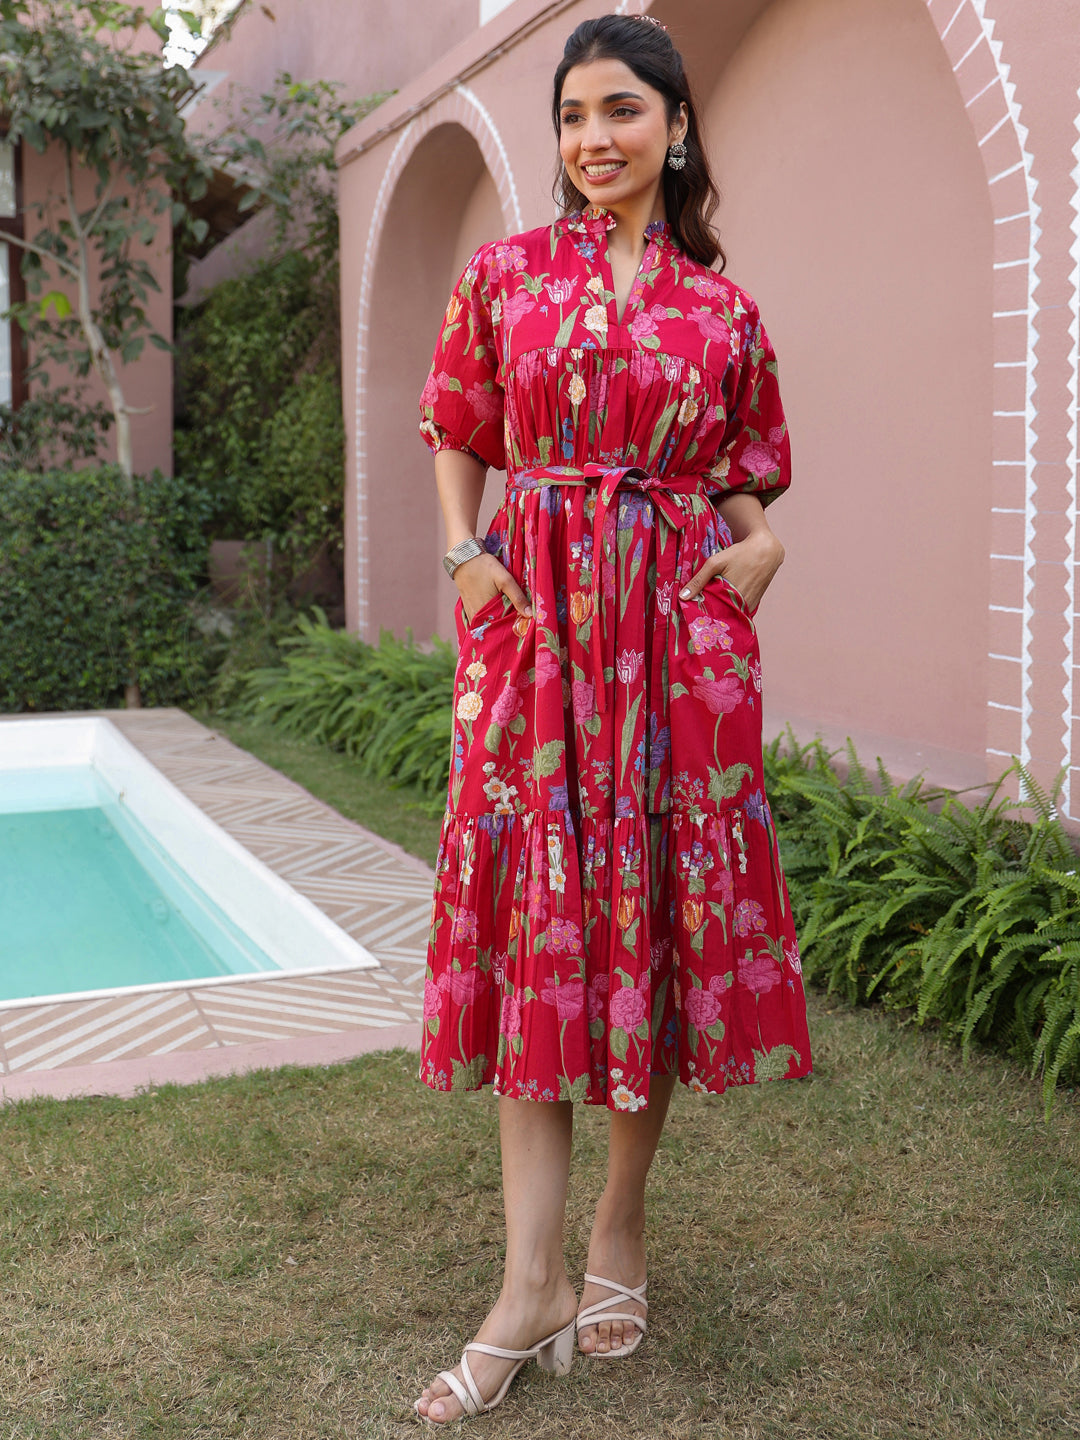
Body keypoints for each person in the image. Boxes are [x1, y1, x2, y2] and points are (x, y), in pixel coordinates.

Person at [413, 11, 813, 1425]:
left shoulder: (722, 309)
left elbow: (745, 465)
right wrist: (466, 556)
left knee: (651, 918)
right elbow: (456, 425)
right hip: (534, 625)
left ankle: (617, 1233)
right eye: (575, 114)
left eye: (623, 110)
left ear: (676, 126)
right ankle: (528, 1285)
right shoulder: (505, 276)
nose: (595, 137)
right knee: (537, 917)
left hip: (677, 637)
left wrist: (759, 545)